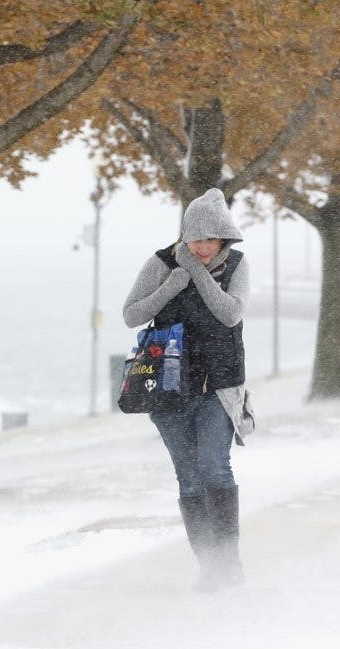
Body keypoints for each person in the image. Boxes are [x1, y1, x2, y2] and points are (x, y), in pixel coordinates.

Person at [123, 188, 253, 591]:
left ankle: (228, 560)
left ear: (223, 240)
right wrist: (170, 285)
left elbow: (230, 314)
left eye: (209, 240)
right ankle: (210, 566)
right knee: (189, 477)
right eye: (194, 239)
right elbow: (132, 314)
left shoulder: (236, 266)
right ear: (184, 236)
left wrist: (195, 275)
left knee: (215, 467)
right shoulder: (161, 263)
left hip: (219, 387)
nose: (201, 247)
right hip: (167, 388)